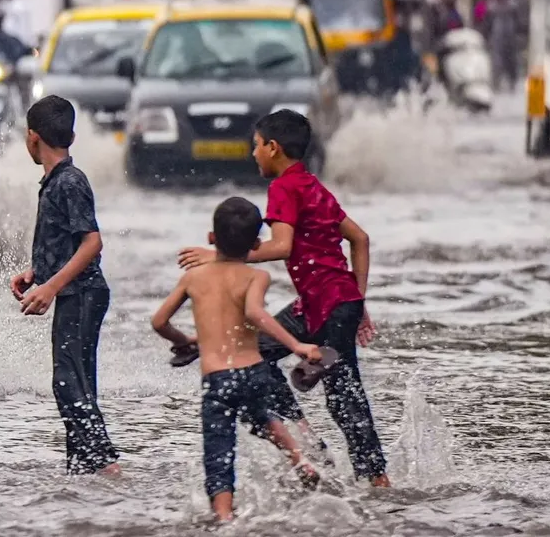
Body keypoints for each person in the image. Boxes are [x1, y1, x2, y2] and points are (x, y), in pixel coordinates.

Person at [178, 109, 390, 488]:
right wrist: (357, 303)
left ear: (273, 148)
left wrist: (221, 255)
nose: (253, 153)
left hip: (327, 305)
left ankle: (376, 480)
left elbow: (282, 245)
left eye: (256, 146)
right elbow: (360, 239)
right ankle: (306, 437)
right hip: (325, 303)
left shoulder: (283, 188)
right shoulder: (312, 186)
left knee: (344, 396)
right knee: (257, 352)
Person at [154, 196, 323, 521]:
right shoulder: (256, 277)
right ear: (256, 244)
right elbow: (255, 314)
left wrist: (186, 340)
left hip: (218, 380)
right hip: (253, 370)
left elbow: (159, 322)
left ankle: (224, 516)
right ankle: (299, 459)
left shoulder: (193, 277)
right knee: (262, 413)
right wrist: (297, 345)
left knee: (219, 449)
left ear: (211, 239)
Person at [9, 96, 119, 476]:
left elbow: (92, 242)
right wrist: (36, 273)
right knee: (77, 382)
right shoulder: (58, 181)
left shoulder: (70, 182)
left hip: (83, 293)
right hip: (75, 290)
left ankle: (106, 466)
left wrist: (51, 287)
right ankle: (82, 469)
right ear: (70, 135)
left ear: (32, 137)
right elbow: (66, 242)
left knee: (67, 381)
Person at [479, 0, 522, 92]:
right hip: (497, 37)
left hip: (511, 36)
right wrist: (485, 35)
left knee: (511, 60)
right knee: (497, 61)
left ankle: (512, 82)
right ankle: (496, 83)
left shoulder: (513, 4)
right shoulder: (491, 6)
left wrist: (520, 34)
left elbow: (518, 21)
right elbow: (486, 22)